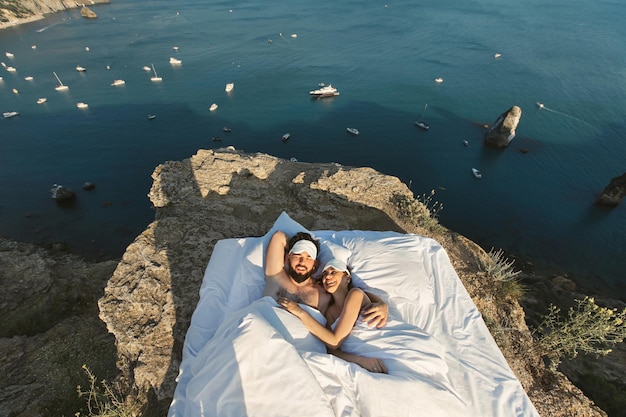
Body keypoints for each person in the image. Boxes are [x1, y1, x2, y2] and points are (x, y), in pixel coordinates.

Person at [264, 230, 388, 372]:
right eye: (297, 255)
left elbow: (352, 294)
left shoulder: (323, 291)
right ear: (287, 258)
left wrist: (381, 303)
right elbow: (279, 236)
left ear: (315, 265)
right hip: (265, 334)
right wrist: (300, 242)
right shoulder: (276, 276)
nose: (302, 261)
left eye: (308, 257)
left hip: (300, 349)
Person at [278, 258, 390, 373]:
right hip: (367, 358)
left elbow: (334, 341)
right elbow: (331, 350)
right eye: (325, 274)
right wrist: (360, 361)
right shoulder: (329, 313)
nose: (327, 277)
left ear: (347, 278)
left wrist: (300, 312)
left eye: (333, 272)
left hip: (383, 346)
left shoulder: (355, 294)